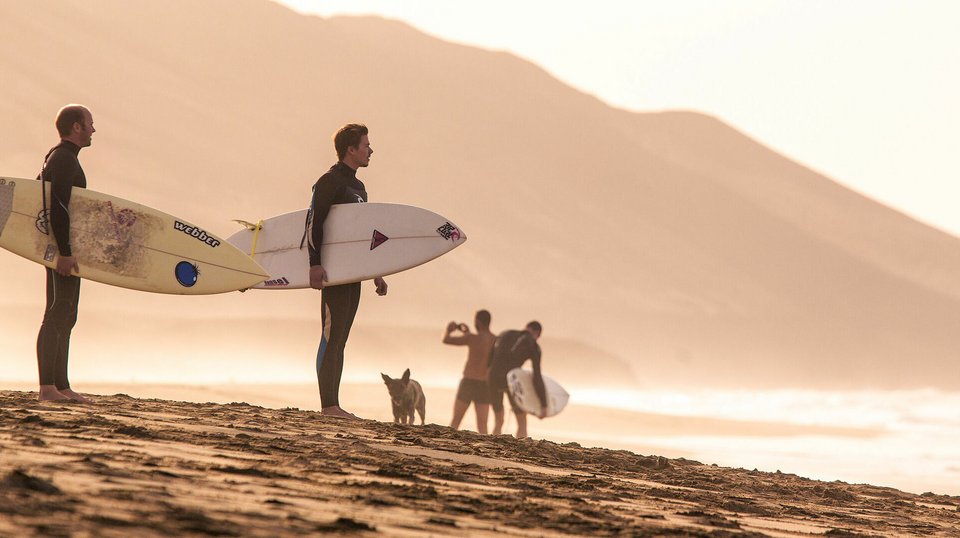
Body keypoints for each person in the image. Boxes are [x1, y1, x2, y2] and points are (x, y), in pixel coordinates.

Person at [307, 123, 387, 419]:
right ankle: (328, 406)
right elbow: (313, 223)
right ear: (351, 149)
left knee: (341, 337)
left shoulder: (358, 188)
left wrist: (376, 270)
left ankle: (333, 404)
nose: (370, 151)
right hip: (333, 273)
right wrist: (314, 264)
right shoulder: (329, 181)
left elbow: (360, 236)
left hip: (353, 275)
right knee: (331, 334)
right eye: (366, 145)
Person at [35, 104, 96, 403]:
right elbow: (57, 206)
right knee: (57, 311)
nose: (93, 129)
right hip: (62, 250)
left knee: (67, 314)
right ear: (76, 127)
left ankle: (62, 385)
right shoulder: (62, 159)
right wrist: (64, 252)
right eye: (90, 124)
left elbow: (41, 195)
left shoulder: (59, 158)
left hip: (65, 248)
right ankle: (47, 387)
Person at [487, 321, 546, 438]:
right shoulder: (533, 346)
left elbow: (490, 358)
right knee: (521, 420)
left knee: (499, 419)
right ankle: (521, 447)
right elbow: (537, 376)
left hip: (492, 378)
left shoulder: (505, 333)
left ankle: (493, 442)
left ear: (526, 327)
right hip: (510, 381)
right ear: (537, 334)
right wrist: (543, 404)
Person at [442, 310, 496, 433]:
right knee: (483, 425)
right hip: (484, 384)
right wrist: (467, 333)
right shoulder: (495, 340)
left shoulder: (472, 338)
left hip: (468, 382)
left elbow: (446, 340)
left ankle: (447, 441)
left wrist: (448, 330)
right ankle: (485, 448)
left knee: (456, 421)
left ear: (477, 322)